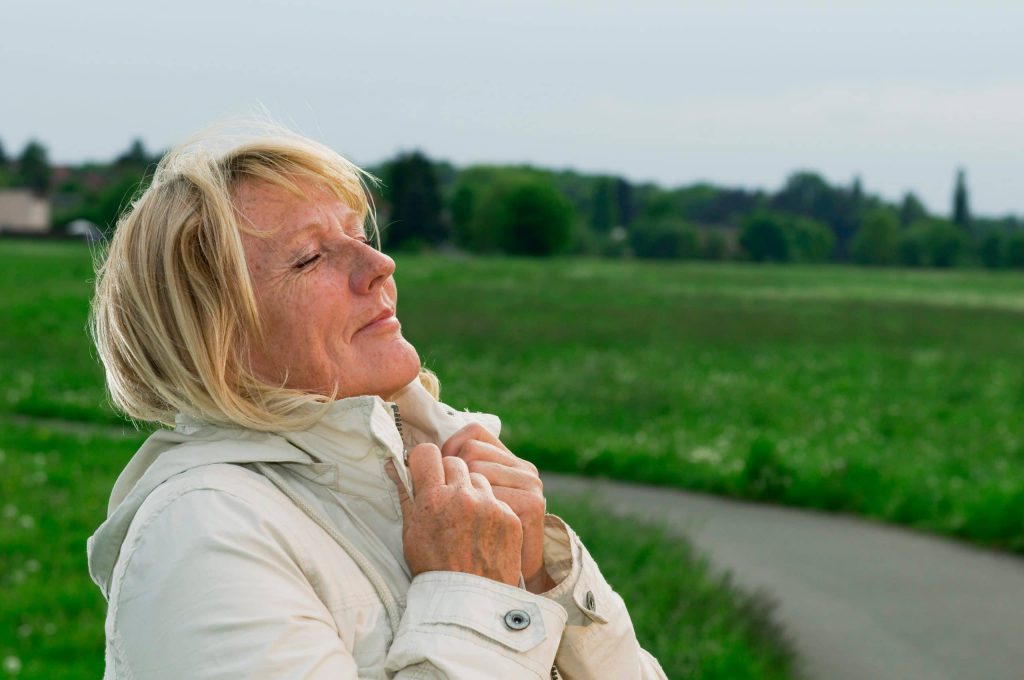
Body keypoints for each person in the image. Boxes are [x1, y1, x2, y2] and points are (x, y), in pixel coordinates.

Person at [86, 123, 668, 679]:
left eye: (360, 237)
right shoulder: (201, 532)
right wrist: (477, 597)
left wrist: (540, 577)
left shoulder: (430, 470)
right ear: (214, 337)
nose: (379, 265)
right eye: (310, 256)